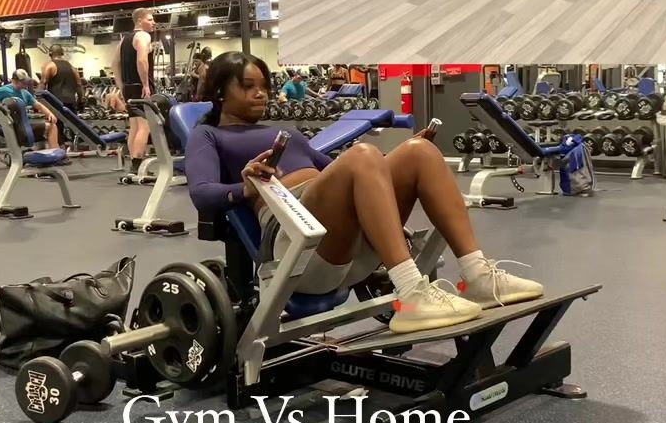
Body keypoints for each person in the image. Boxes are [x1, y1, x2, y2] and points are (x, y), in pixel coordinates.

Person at [185, 53, 544, 335]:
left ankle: (477, 276)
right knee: (362, 154)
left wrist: (397, 162)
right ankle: (411, 292)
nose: (260, 93)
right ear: (220, 92)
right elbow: (202, 194)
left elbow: (346, 172)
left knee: (417, 153)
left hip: (349, 242)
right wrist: (244, 187)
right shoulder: (209, 136)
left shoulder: (285, 130)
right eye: (247, 86)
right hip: (297, 247)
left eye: (263, 85)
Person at [113, 7, 156, 174]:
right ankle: (138, 165)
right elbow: (142, 60)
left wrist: (121, 85)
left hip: (129, 87)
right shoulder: (143, 36)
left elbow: (114, 63)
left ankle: (134, 163)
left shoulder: (124, 40)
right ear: (140, 21)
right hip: (140, 86)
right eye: (150, 19)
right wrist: (145, 84)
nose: (154, 23)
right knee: (145, 127)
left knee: (135, 126)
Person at [0, 70, 60, 148]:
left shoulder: (25, 93)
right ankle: (56, 152)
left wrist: (50, 114)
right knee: (51, 127)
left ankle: (55, 153)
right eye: (22, 82)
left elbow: (38, 105)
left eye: (26, 81)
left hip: (24, 126)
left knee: (52, 126)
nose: (25, 84)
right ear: (14, 81)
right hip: (12, 127)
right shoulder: (3, 90)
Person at [40, 45, 82, 114]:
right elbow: (79, 85)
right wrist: (81, 100)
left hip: (56, 103)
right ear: (62, 53)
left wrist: (36, 100)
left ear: (50, 53)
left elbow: (43, 83)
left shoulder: (50, 66)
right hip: (71, 102)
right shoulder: (72, 67)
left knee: (56, 124)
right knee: (72, 124)